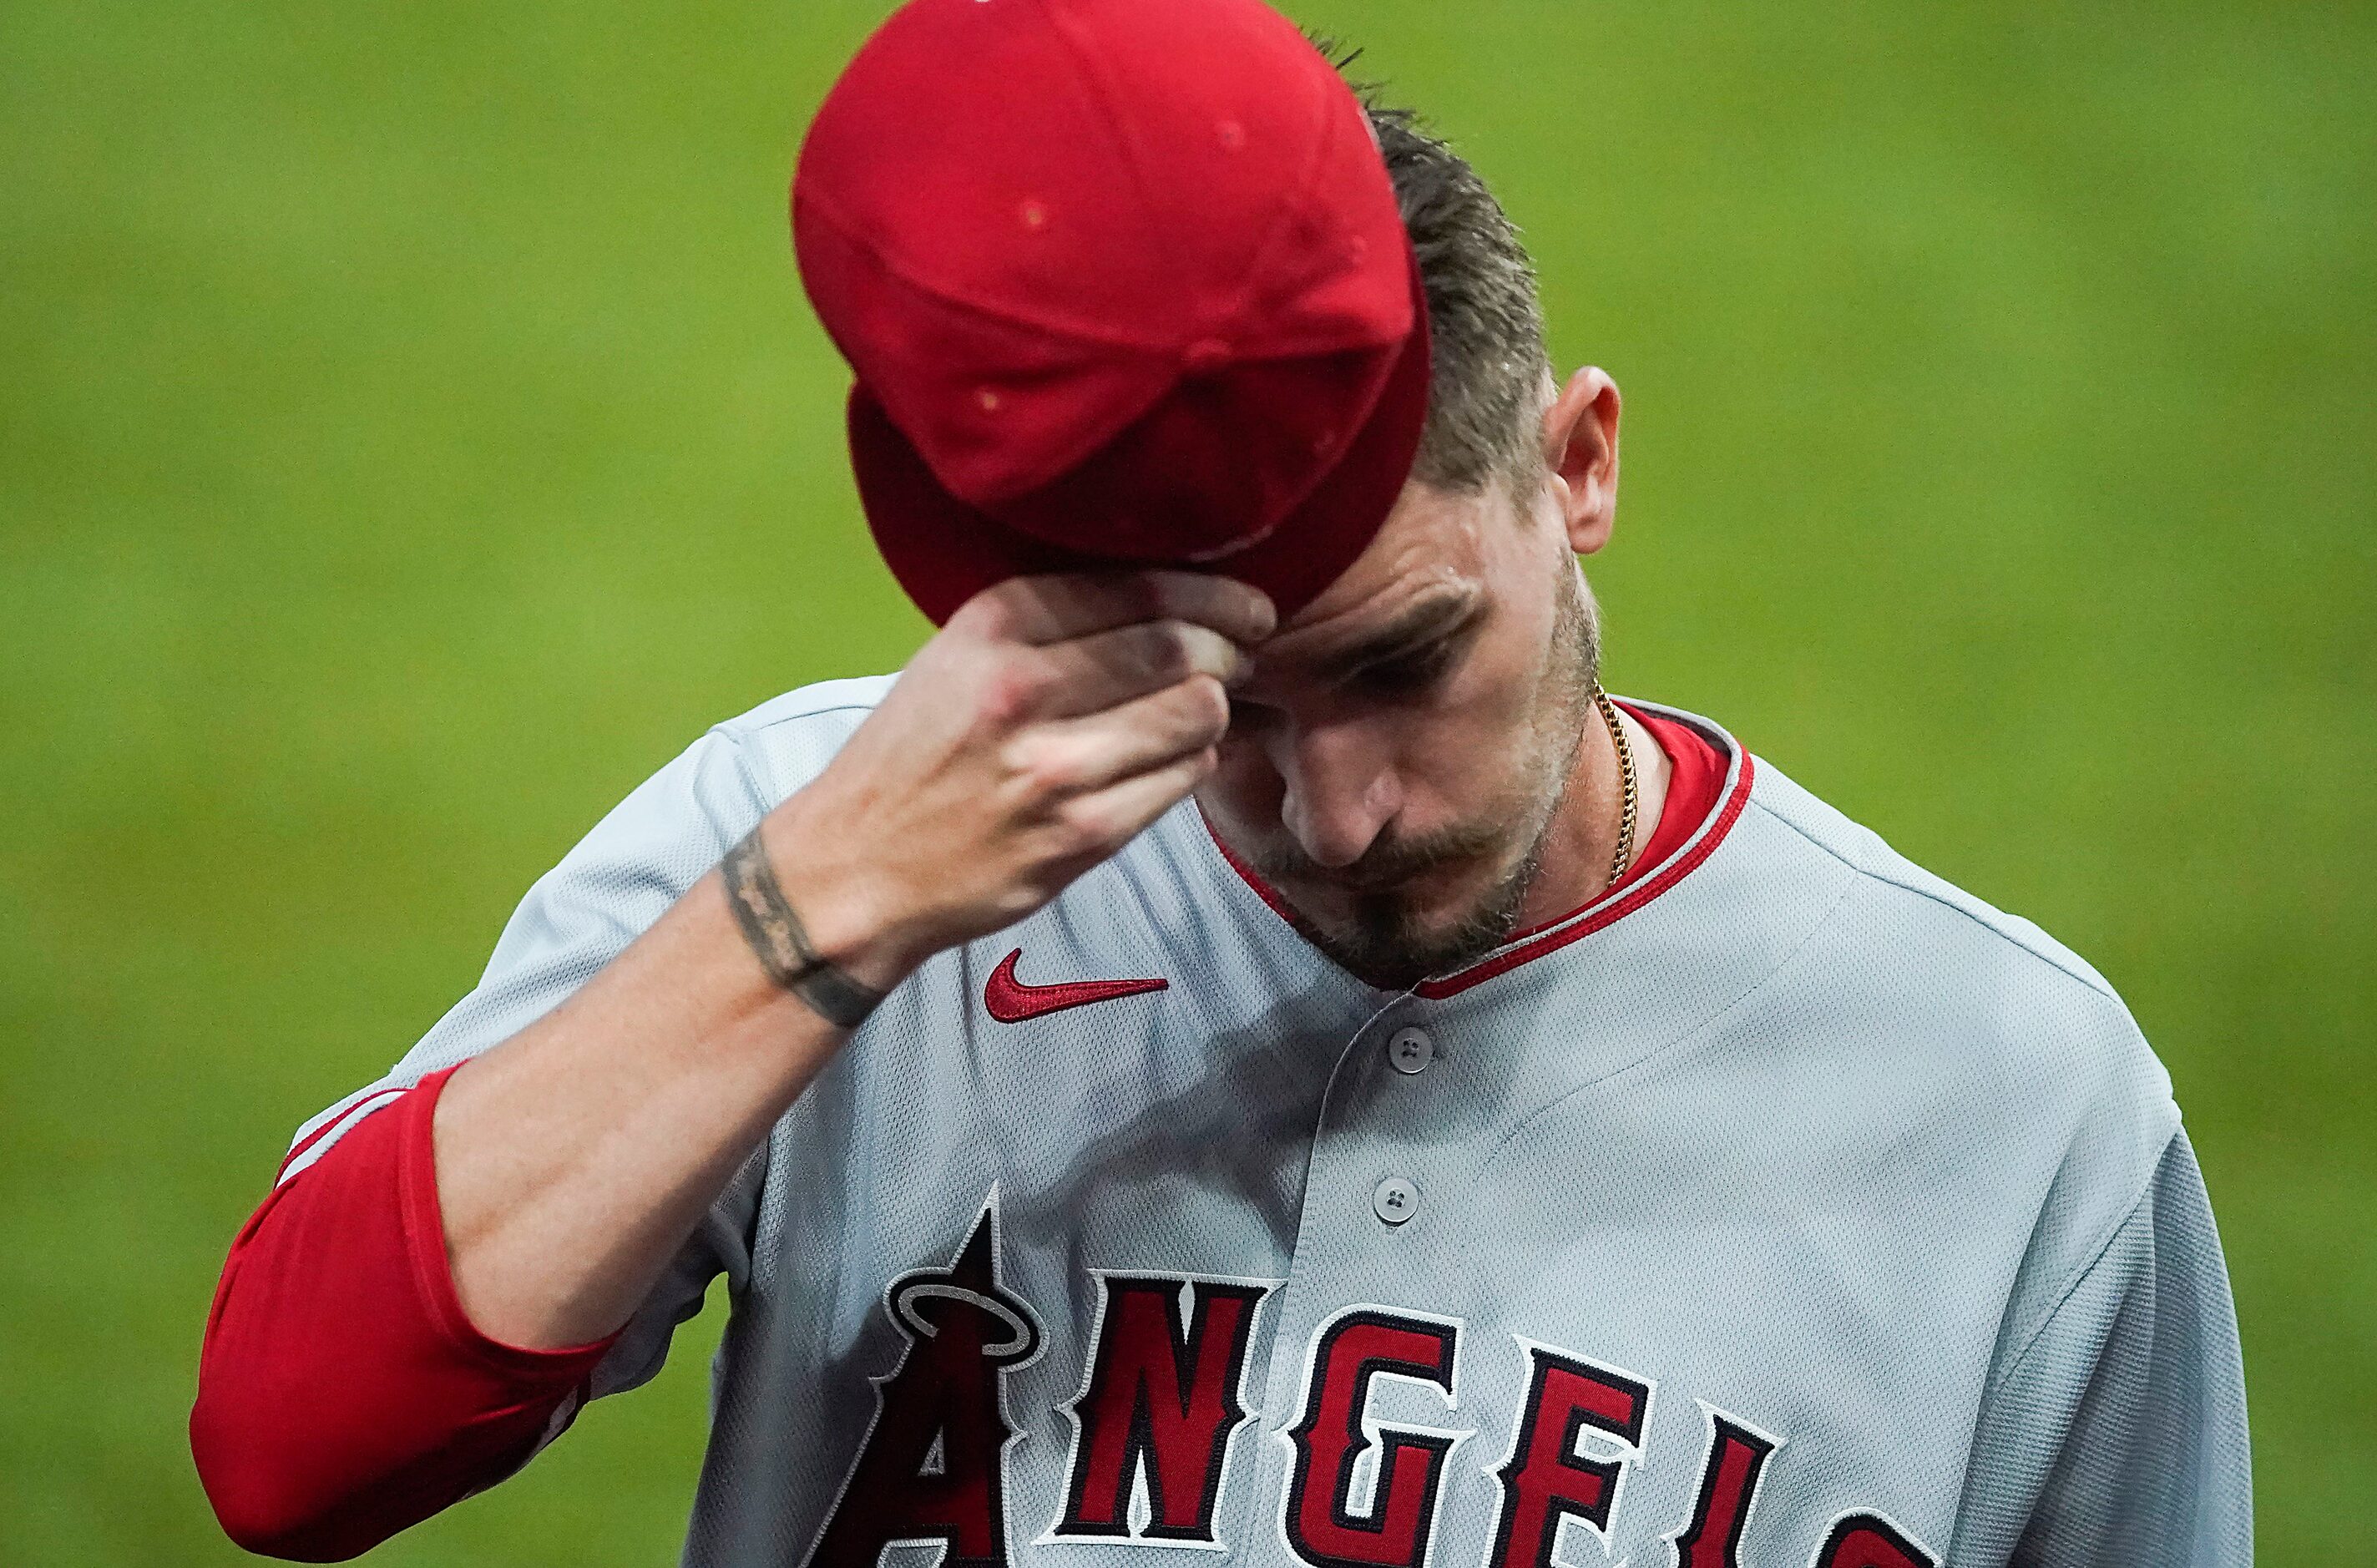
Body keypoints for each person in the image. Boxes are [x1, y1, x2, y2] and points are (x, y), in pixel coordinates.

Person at [190, 2, 2251, 1564]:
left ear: (1579, 464)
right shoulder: (825, 846)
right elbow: (295, 1450)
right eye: (1214, 711)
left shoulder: (2010, 1098)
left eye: (1403, 663)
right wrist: (814, 921)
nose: (1340, 813)